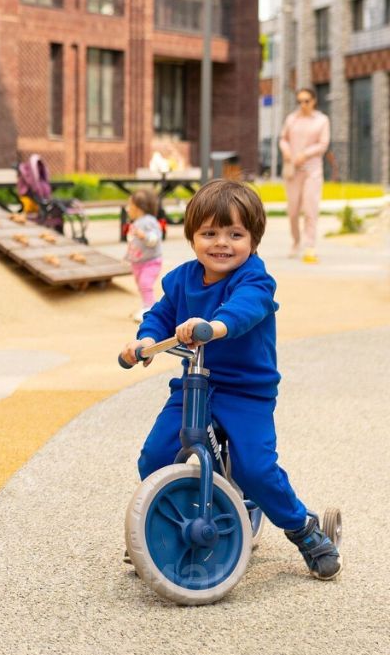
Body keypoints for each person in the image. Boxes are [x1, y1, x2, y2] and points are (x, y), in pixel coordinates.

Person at [118, 179, 341, 580]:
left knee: (255, 470)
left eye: (235, 235)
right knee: (155, 456)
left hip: (246, 391)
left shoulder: (254, 279)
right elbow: (160, 315)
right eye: (209, 234)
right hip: (195, 387)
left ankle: (302, 528)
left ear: (253, 240)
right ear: (191, 237)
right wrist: (145, 341)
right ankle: (163, 529)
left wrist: (214, 326)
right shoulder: (181, 280)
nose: (221, 244)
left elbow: (245, 309)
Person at [278, 88, 330, 263]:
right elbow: (283, 138)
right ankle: (296, 241)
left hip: (312, 171)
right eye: (300, 101)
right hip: (293, 171)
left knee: (310, 209)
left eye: (306, 101)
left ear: (314, 101)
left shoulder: (322, 120)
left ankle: (310, 246)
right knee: (293, 211)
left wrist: (305, 154)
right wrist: (286, 151)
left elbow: (323, 144)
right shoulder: (291, 119)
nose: (303, 104)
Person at [125, 188, 164, 323]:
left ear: (139, 207)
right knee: (142, 286)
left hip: (151, 262)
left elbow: (155, 238)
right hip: (138, 262)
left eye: (130, 205)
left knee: (145, 284)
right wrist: (127, 257)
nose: (127, 209)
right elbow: (133, 243)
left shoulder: (148, 221)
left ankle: (150, 310)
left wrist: (145, 236)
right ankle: (145, 305)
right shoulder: (137, 222)